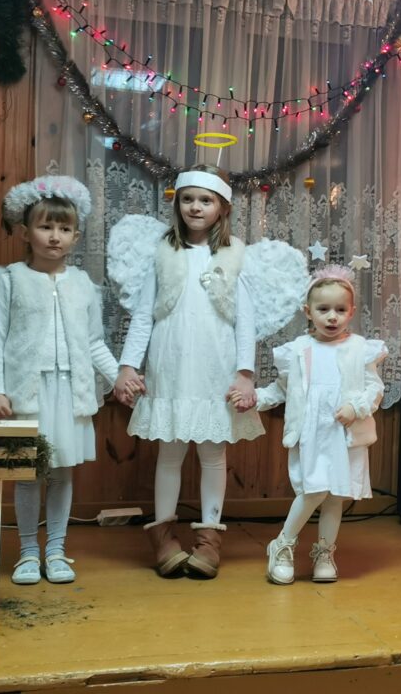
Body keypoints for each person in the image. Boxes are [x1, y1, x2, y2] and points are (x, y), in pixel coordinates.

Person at [113, 165, 263, 579]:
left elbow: (246, 321)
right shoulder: (165, 253)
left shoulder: (234, 255)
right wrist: (127, 366)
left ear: (222, 207)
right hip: (171, 364)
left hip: (216, 367)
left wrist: (245, 373)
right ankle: (163, 538)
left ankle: (209, 541)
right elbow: (143, 315)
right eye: (188, 199)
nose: (196, 207)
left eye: (206, 200)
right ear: (177, 203)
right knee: (170, 452)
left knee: (213, 453)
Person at [0, 175, 120, 585]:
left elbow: (93, 342)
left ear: (75, 236)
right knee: (28, 472)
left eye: (64, 229)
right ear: (25, 232)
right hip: (27, 393)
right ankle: (27, 552)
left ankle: (55, 549)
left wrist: (118, 377)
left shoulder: (82, 285)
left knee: (62, 472)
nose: (55, 236)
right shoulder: (10, 280)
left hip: (69, 392)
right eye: (46, 226)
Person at [250, 265, 387, 585]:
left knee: (335, 496)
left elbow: (374, 388)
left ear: (352, 312)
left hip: (343, 433)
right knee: (314, 491)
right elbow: (283, 390)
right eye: (323, 309)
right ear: (308, 311)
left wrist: (356, 406)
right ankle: (282, 544)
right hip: (312, 433)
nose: (332, 317)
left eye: (340, 310)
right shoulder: (299, 350)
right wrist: (255, 398)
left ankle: (325, 552)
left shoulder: (359, 349)